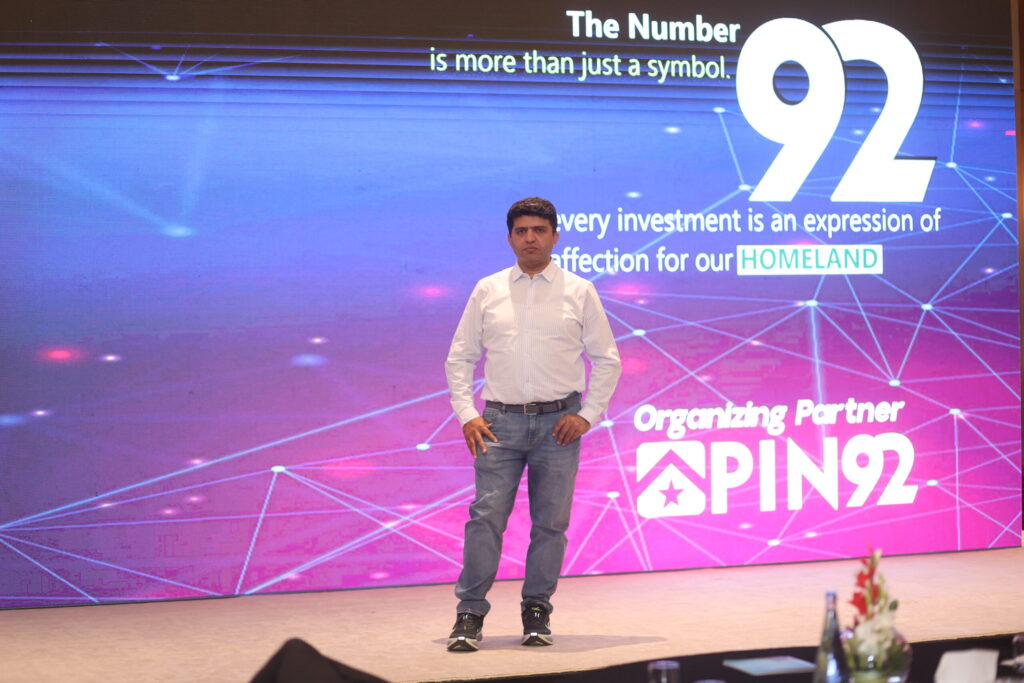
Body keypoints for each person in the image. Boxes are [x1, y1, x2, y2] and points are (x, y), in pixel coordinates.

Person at [443, 196, 621, 652]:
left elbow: (607, 359)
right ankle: (469, 613)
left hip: (559, 424)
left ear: (555, 237)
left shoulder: (579, 290)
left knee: (551, 523)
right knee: (485, 519)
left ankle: (537, 609)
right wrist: (467, 414)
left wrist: (587, 415)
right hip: (498, 423)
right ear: (509, 238)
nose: (530, 239)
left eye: (539, 231)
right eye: (521, 231)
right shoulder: (488, 289)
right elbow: (460, 357)